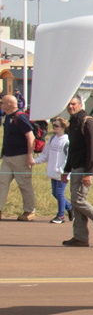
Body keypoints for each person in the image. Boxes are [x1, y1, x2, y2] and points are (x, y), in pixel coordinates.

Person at [63, 95, 93, 247]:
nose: (71, 107)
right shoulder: (73, 122)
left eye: (73, 104)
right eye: (69, 104)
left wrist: (88, 173)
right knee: (75, 200)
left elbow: (92, 149)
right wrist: (67, 169)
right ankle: (80, 237)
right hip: (77, 165)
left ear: (80, 105)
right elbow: (72, 149)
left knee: (78, 200)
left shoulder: (87, 122)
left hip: (86, 167)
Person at [0, 93, 37, 221]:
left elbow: (30, 137)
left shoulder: (20, 117)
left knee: (24, 184)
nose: (1, 105)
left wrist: (29, 156)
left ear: (9, 104)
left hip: (21, 157)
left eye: (2, 103)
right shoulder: (7, 117)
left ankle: (29, 211)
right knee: (2, 182)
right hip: (7, 157)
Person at [43, 117, 70, 223]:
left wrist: (66, 172)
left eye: (56, 126)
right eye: (53, 125)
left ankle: (61, 216)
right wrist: (34, 161)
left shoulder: (67, 141)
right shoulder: (52, 138)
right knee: (55, 193)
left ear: (63, 127)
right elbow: (46, 154)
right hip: (53, 171)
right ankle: (70, 208)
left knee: (59, 193)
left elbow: (69, 158)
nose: (54, 127)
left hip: (62, 173)